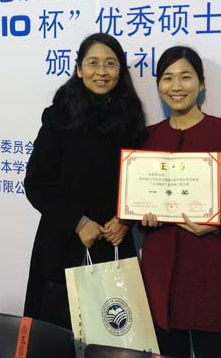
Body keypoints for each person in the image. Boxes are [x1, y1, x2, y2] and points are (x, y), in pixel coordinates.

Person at [140, 45, 221, 358]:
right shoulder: (148, 138)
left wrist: (218, 223)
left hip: (208, 271)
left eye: (185, 77)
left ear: (201, 83)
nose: (176, 86)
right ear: (158, 85)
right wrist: (142, 216)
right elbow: (136, 200)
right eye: (167, 78)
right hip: (159, 272)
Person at [23, 32, 147, 330]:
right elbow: (37, 183)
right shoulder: (58, 117)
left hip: (113, 242)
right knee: (56, 340)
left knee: (110, 340)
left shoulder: (131, 118)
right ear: (79, 69)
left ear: (120, 70)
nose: (102, 72)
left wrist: (127, 219)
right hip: (64, 242)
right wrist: (78, 222)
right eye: (93, 63)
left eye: (110, 63)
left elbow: (141, 181)